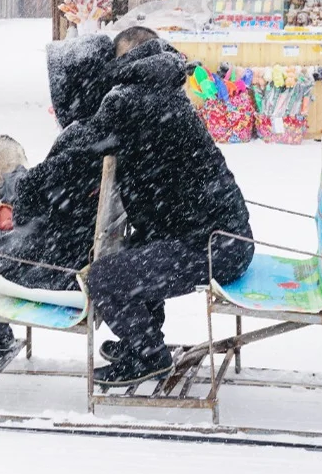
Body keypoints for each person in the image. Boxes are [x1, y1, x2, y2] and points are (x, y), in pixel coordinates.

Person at [0, 33, 116, 373]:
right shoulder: (108, 128)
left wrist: (14, 184)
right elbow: (49, 187)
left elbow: (34, 196)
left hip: (59, 265)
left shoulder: (82, 137)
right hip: (78, 249)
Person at [85, 26, 254, 386]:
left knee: (104, 277)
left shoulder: (141, 99)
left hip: (213, 245)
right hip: (220, 237)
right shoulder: (163, 93)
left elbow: (87, 142)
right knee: (135, 251)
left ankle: (149, 357)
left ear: (130, 58)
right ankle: (141, 339)